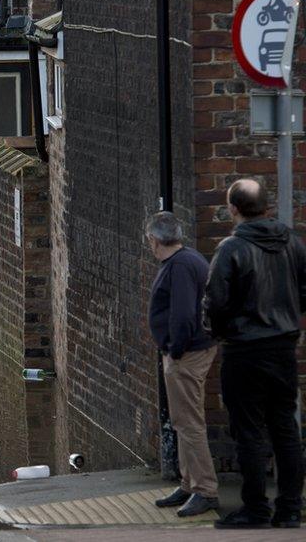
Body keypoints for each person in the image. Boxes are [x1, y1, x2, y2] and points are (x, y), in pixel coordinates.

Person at [204, 179, 306, 529]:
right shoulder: (292, 242)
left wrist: (222, 331)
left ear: (233, 209)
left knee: (248, 431)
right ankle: (291, 508)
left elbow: (216, 301)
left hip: (244, 349)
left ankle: (256, 509)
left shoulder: (232, 248)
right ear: (267, 206)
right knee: (285, 428)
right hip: (283, 347)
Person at [146, 212, 219, 517]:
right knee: (182, 421)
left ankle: (205, 489)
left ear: (154, 240)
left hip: (186, 354)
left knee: (189, 423)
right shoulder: (186, 260)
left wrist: (174, 350)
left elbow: (183, 315)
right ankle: (189, 484)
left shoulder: (180, 266)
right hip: (188, 351)